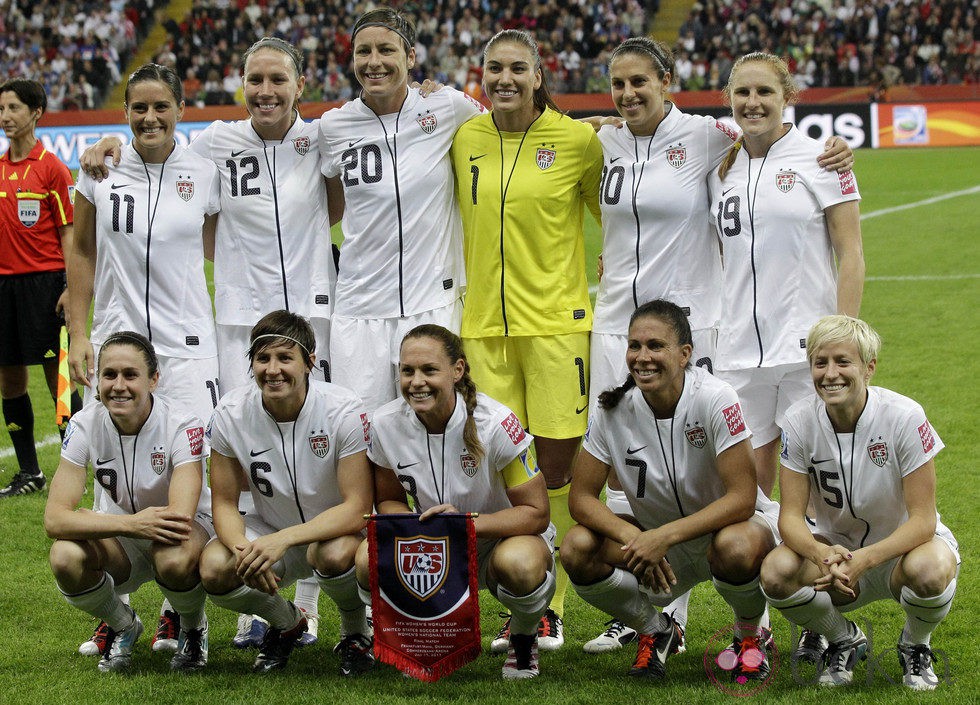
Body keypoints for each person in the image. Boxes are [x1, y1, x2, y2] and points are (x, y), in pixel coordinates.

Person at [585, 38, 853, 655]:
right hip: (618, 326)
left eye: (640, 82)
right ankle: (657, 613)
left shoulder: (711, 141)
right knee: (637, 477)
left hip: (697, 329)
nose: (628, 94)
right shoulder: (608, 141)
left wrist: (836, 149)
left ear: (669, 81)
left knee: (713, 474)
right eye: (618, 84)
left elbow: (773, 146)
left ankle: (787, 616)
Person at [80, 37, 335, 648]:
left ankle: (309, 602)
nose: (266, 90)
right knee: (235, 460)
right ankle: (179, 602)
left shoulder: (327, 136)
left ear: (300, 85)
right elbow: (152, 158)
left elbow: (347, 197)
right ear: (238, 86)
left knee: (314, 456)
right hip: (233, 326)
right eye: (255, 79)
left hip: (316, 319)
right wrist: (103, 145)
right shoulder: (213, 145)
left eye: (278, 79)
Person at [450, 28, 604, 651]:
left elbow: (617, 212)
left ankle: (554, 608)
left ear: (539, 76)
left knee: (558, 467)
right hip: (482, 329)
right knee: (504, 473)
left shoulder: (577, 141)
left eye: (518, 68)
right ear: (481, 77)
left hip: (556, 329)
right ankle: (521, 604)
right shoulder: (465, 137)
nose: (505, 79)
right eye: (494, 69)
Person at [709, 53, 865, 661]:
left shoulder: (821, 158)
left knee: (818, 494)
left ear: (787, 95)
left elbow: (850, 251)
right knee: (748, 491)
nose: (752, 103)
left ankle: (819, 617)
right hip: (738, 357)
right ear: (729, 99)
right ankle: (766, 615)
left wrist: (842, 336)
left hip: (805, 355)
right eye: (741, 93)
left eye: (764, 92)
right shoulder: (720, 164)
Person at [66, 63, 220, 657]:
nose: (150, 118)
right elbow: (80, 250)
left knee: (192, 480)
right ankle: (116, 610)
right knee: (115, 477)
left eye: (161, 107)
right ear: (124, 111)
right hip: (116, 348)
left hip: (188, 351)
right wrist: (80, 332)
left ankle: (183, 616)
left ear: (182, 109)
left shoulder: (205, 170)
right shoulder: (99, 169)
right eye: (138, 108)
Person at [561, 300, 780, 681]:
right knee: (577, 548)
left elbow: (744, 497)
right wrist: (634, 536)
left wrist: (664, 536)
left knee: (737, 546)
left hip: (725, 533)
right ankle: (655, 630)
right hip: (655, 544)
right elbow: (580, 498)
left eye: (655, 346)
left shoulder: (715, 397)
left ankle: (750, 638)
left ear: (684, 355)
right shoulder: (612, 409)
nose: (642, 357)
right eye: (634, 345)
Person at [760, 315, 959, 690]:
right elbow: (789, 517)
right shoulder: (799, 421)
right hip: (835, 553)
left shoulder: (904, 416)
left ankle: (915, 646)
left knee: (932, 570)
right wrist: (822, 557)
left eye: (842, 361)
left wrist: (864, 560)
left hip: (903, 550)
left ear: (869, 368)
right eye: (820, 363)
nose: (830, 373)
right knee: (775, 572)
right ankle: (842, 639)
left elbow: (923, 520)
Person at [355, 324, 555, 679]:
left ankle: (523, 639)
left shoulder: (495, 423)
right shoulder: (384, 423)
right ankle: (414, 639)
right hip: (428, 542)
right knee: (364, 559)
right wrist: (415, 528)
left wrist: (463, 525)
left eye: (429, 370)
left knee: (521, 566)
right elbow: (387, 499)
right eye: (407, 371)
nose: (417, 382)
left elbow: (536, 513)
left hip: (498, 541)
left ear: (458, 370)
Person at [318, 7, 485, 412]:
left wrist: (592, 126)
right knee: (362, 433)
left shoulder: (448, 107)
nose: (373, 62)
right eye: (363, 52)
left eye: (386, 50)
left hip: (432, 302)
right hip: (359, 309)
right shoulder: (332, 127)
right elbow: (325, 207)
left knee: (437, 425)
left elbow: (515, 131)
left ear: (410, 57)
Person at [199, 310, 374, 676]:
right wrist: (242, 550)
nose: (272, 369)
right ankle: (287, 622)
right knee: (216, 567)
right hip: (267, 530)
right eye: (262, 358)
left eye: (285, 357)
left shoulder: (343, 409)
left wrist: (284, 540)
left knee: (336, 552)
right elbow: (224, 503)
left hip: (328, 534)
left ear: (310, 362)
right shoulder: (230, 413)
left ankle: (355, 632)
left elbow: (357, 506)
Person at [44, 331, 212, 673]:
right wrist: (129, 524)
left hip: (178, 537)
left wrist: (109, 522)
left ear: (153, 379)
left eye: (130, 375)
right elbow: (55, 519)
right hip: (121, 538)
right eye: (109, 375)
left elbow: (178, 518)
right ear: (97, 379)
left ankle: (192, 628)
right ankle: (123, 625)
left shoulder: (182, 423)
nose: (118, 385)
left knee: (174, 556)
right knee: (65, 555)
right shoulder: (84, 423)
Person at [0, 78, 80, 498]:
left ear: (35, 112)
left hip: (45, 286)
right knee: (10, 381)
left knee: (59, 380)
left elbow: (69, 233)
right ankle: (29, 472)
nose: (5, 116)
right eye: (1, 109)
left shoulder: (52, 167)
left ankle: (78, 465)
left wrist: (69, 286)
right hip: (4, 288)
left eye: (13, 107)